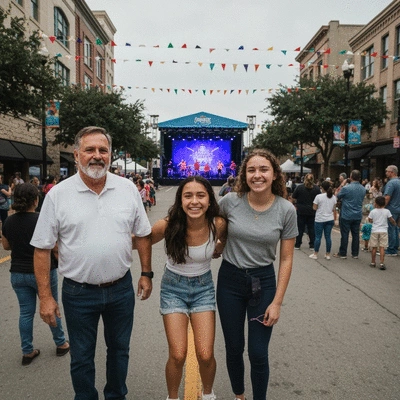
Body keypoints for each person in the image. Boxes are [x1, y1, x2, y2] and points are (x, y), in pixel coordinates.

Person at [30, 126, 153, 400]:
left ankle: (116, 396)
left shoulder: (127, 189)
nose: (96, 156)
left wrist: (146, 273)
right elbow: (42, 249)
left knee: (120, 351)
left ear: (110, 155)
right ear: (76, 155)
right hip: (78, 293)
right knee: (82, 357)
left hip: (121, 289)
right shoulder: (57, 195)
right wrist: (46, 298)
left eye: (102, 150)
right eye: (89, 150)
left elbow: (143, 234)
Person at [216, 149, 298, 400]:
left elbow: (286, 258)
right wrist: (216, 245)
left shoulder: (286, 210)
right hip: (229, 281)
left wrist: (277, 302)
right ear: (244, 174)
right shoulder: (230, 201)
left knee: (258, 352)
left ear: (274, 174)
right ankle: (239, 395)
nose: (257, 175)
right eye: (251, 170)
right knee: (234, 347)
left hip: (262, 283)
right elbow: (213, 229)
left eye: (264, 169)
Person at [136, 176, 226, 400]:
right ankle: (172, 397)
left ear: (209, 199)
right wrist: (145, 273)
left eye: (200, 195)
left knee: (205, 354)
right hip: (173, 288)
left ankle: (207, 394)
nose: (194, 201)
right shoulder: (167, 224)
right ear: (180, 200)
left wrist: (218, 247)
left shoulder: (218, 223)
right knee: (178, 354)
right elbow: (142, 240)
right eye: (188, 196)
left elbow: (223, 237)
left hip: (203, 289)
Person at [1, 183, 70, 365]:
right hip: (43, 272)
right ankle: (61, 343)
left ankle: (27, 350)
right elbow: (54, 246)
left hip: (17, 272)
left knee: (25, 312)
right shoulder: (41, 220)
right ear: (36, 200)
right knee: (51, 305)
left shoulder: (8, 222)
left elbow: (6, 246)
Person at [334, 170, 366, 259]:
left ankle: (343, 253)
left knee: (345, 234)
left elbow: (337, 195)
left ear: (351, 177)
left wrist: (342, 184)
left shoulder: (346, 188)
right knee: (355, 234)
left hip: (346, 214)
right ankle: (355, 253)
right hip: (357, 214)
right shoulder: (363, 189)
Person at [309, 180, 337, 260]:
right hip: (330, 218)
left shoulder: (318, 197)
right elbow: (334, 209)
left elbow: (314, 207)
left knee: (318, 237)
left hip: (320, 219)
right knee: (328, 237)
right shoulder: (333, 197)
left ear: (322, 188)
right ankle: (328, 254)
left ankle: (315, 253)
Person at [292, 173, 321, 250]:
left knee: (300, 228)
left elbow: (293, 197)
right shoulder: (316, 189)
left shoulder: (300, 187)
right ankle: (312, 244)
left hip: (301, 210)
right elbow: (319, 200)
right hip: (312, 210)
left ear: (304, 179)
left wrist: (296, 204)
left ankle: (298, 244)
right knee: (311, 228)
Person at [368, 196, 396, 270]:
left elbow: (370, 220)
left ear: (376, 203)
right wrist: (394, 223)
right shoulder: (387, 211)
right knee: (382, 247)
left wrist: (372, 221)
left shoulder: (373, 211)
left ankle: (373, 262)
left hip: (374, 230)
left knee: (374, 247)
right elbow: (391, 219)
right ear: (384, 203)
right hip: (383, 231)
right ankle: (381, 263)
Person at [383, 165, 400, 256]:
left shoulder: (391, 183)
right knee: (396, 228)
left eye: (387, 171)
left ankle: (391, 249)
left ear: (392, 172)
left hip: (391, 209)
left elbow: (387, 197)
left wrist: (382, 207)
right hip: (398, 208)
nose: (386, 172)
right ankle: (396, 246)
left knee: (391, 229)